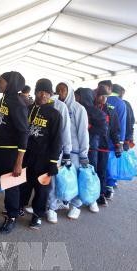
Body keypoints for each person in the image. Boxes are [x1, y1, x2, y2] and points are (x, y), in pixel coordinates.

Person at [0, 71, 28, 234]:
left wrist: (19, 162)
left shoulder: (17, 103)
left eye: (0, 81)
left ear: (10, 84)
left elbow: (24, 132)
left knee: (11, 188)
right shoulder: (3, 99)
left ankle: (12, 217)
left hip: (11, 153)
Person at [19, 79, 62, 230]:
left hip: (44, 159)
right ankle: (19, 206)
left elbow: (57, 139)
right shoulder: (27, 109)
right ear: (35, 92)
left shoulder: (55, 114)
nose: (43, 94)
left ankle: (37, 215)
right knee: (23, 184)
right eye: (40, 91)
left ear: (50, 94)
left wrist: (53, 161)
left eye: (47, 92)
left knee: (41, 190)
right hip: (26, 156)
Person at [53, 82, 96, 219]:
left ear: (69, 92)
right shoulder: (55, 106)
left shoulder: (79, 109)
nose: (60, 93)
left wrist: (84, 154)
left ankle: (76, 205)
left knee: (76, 178)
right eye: (58, 90)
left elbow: (83, 133)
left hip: (76, 152)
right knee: (60, 177)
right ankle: (60, 201)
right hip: (60, 150)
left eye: (63, 90)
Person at [99, 81, 126, 198]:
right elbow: (122, 125)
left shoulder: (101, 98)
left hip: (100, 139)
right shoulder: (121, 104)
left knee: (100, 165)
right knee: (111, 165)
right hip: (113, 141)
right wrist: (120, 143)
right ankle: (109, 188)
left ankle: (99, 187)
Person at [95, 86, 121, 206]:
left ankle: (101, 194)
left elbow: (115, 130)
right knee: (89, 171)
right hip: (90, 146)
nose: (103, 99)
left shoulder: (110, 110)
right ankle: (87, 194)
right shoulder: (89, 108)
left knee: (102, 171)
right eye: (101, 95)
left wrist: (117, 145)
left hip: (104, 147)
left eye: (105, 96)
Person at [75, 88, 107, 180]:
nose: (75, 98)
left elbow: (103, 130)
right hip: (76, 146)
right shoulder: (74, 109)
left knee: (88, 172)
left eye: (77, 96)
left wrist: (88, 128)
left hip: (91, 147)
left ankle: (91, 192)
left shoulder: (98, 113)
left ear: (85, 97)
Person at [116, 84, 135, 151]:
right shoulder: (126, 103)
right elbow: (132, 121)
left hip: (116, 138)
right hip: (125, 137)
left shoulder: (110, 102)